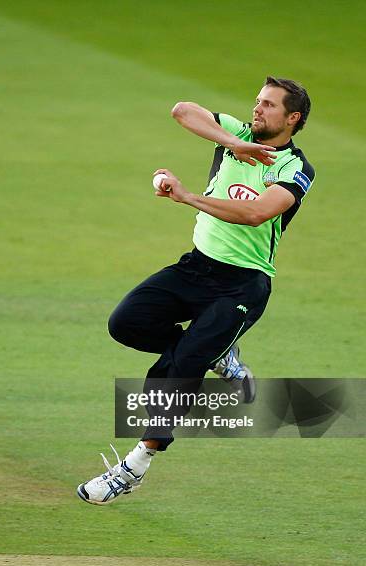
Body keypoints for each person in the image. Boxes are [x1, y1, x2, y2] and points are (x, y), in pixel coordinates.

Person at [77, 76, 315, 505]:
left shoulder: (295, 169)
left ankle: (134, 465)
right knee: (125, 323)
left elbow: (257, 213)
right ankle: (217, 353)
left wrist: (187, 197)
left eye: (269, 106)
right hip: (195, 268)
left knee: (185, 363)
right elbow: (182, 110)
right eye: (257, 101)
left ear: (292, 118)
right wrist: (233, 143)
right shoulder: (238, 136)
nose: (257, 109)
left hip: (242, 285)